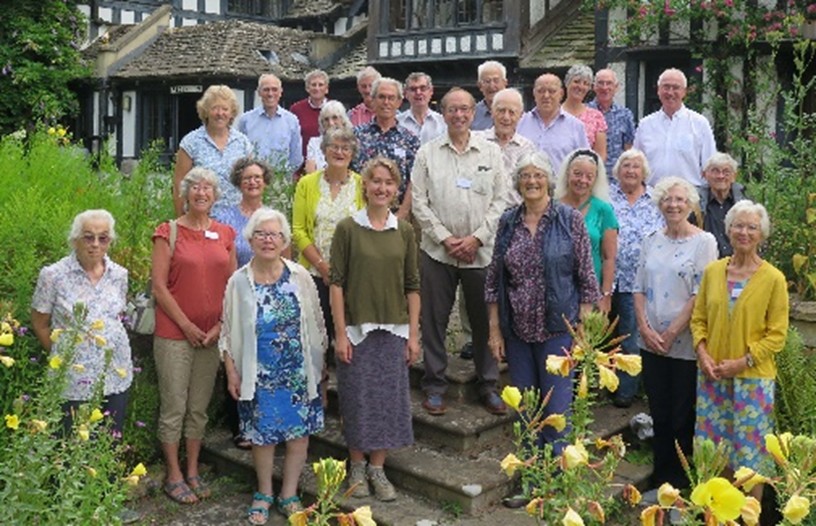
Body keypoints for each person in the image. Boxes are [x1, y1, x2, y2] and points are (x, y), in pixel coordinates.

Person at [486, 152, 600, 454]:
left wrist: (582, 331)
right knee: (526, 409)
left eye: (537, 175)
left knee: (557, 412)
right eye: (525, 176)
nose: (532, 181)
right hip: (517, 332)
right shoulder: (508, 221)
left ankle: (556, 487)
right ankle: (530, 477)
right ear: (518, 182)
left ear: (548, 181)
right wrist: (495, 329)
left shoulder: (570, 220)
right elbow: (494, 279)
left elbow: (587, 279)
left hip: (558, 331)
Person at [220, 208, 327, 523]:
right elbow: (226, 331)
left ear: (284, 241)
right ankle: (264, 493)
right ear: (250, 239)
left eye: (275, 235)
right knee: (262, 436)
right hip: (258, 374)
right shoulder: (238, 281)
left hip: (297, 371)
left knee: (299, 436)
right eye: (262, 234)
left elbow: (318, 324)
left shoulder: (300, 276)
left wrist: (320, 369)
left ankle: (289, 494)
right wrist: (231, 371)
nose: (268, 240)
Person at [412, 87, 508, 416]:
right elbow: (419, 203)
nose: (459, 115)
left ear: (473, 112)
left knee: (484, 321)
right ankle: (435, 384)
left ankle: (488, 384)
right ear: (443, 111)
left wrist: (477, 238)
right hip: (437, 252)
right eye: (452, 109)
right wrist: (445, 238)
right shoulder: (427, 153)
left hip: (480, 252)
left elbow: (501, 200)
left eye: (465, 109)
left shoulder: (490, 153)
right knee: (434, 320)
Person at [329, 157, 420, 502]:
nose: (382, 188)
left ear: (396, 190)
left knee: (386, 402)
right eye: (375, 181)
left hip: (394, 330)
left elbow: (412, 285)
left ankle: (378, 469)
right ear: (364, 185)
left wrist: (413, 335)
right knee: (356, 400)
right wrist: (340, 332)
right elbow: (336, 283)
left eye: (389, 183)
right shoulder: (347, 229)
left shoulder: (405, 231)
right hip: (356, 331)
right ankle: (356, 466)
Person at [691, 200, 788, 501]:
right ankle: (718, 515)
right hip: (713, 378)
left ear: (761, 234)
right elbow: (699, 319)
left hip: (753, 382)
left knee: (749, 458)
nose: (744, 232)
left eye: (751, 227)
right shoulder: (713, 271)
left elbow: (777, 336)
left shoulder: (773, 278)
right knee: (714, 452)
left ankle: (749, 518)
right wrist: (703, 353)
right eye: (738, 225)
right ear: (728, 229)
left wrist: (742, 362)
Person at [152, 167, 237, 504]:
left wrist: (219, 327)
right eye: (195, 188)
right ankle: (173, 473)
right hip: (175, 334)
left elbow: (233, 287)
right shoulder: (168, 232)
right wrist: (186, 325)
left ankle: (193, 469)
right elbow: (159, 286)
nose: (202, 193)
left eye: (208, 188)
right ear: (185, 194)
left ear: (215, 196)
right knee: (174, 405)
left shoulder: (226, 233)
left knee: (198, 407)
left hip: (211, 336)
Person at [634, 176, 717, 491]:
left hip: (682, 342)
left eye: (680, 199)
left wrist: (670, 332)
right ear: (659, 204)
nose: (673, 205)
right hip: (650, 340)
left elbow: (701, 294)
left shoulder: (704, 242)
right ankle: (660, 473)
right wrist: (643, 327)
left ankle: (681, 479)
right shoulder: (650, 238)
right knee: (658, 408)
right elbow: (638, 287)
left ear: (691, 204)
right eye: (667, 199)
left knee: (682, 411)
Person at [31, 210, 133, 435]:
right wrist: (64, 354)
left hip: (115, 373)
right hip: (72, 379)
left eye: (103, 238)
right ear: (75, 239)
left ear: (110, 241)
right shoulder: (53, 276)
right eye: (88, 237)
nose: (95, 244)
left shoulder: (119, 275)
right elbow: (40, 323)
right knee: (69, 445)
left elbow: (117, 318)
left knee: (108, 441)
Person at [213, 157, 275, 450]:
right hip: (236, 292)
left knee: (264, 359)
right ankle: (240, 425)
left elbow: (283, 256)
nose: (252, 182)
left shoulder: (273, 216)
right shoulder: (225, 217)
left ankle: (265, 421)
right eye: (247, 177)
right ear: (239, 182)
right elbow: (221, 255)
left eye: (257, 177)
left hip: (267, 296)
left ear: (265, 181)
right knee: (236, 358)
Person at [293, 127, 365, 348]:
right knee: (315, 338)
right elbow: (298, 230)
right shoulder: (307, 183)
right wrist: (323, 267)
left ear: (352, 154)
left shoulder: (362, 185)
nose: (340, 152)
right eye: (334, 147)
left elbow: (367, 230)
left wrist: (341, 272)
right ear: (324, 151)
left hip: (353, 275)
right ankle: (320, 381)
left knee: (348, 338)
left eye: (346, 148)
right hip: (314, 273)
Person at [608, 149, 664, 408]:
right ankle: (600, 382)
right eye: (626, 166)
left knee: (630, 336)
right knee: (604, 334)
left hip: (639, 282)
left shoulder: (656, 200)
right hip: (606, 278)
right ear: (617, 171)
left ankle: (626, 390)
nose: (631, 170)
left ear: (644, 173)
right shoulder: (607, 196)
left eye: (636, 167)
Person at [173, 85, 254, 217]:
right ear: (205, 111)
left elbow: (251, 181)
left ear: (232, 113)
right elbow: (179, 184)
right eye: (215, 108)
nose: (220, 113)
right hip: (201, 218)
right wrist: (181, 219)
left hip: (237, 218)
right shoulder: (191, 142)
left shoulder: (243, 142)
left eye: (225, 109)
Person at [555, 149, 618, 313]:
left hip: (591, 294)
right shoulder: (552, 207)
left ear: (595, 180)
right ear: (568, 174)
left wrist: (606, 295)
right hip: (555, 292)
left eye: (589, 176)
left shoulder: (604, 210)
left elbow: (609, 258)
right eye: (577, 174)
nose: (582, 180)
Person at [633, 68, 717, 187]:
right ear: (658, 90)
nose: (670, 92)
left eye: (676, 87)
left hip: (688, 197)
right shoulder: (645, 125)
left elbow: (710, 165)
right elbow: (637, 163)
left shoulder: (700, 124)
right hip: (652, 196)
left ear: (684, 92)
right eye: (666, 87)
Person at [352, 77, 420, 220]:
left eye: (391, 98)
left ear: (399, 102)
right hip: (359, 212)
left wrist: (402, 213)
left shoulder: (410, 140)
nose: (386, 102)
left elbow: (415, 179)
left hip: (396, 214)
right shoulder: (355, 136)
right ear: (373, 99)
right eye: (381, 97)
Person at [476, 87, 538, 206]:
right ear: (492, 112)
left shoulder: (528, 148)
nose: (506, 117)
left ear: (520, 116)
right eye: (501, 111)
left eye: (512, 112)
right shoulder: (477, 141)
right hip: (483, 215)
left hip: (516, 217)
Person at [517, 73, 590, 173]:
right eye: (541, 91)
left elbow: (585, 163)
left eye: (552, 91)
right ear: (534, 93)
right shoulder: (519, 123)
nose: (546, 96)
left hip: (561, 187)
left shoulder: (576, 127)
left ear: (561, 94)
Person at [236, 74, 303, 177]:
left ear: (281, 92)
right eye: (266, 90)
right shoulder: (246, 120)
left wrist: (284, 177)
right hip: (253, 181)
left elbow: (296, 157)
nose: (270, 94)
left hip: (281, 182)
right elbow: (240, 154)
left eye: (274, 89)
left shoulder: (291, 121)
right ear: (259, 92)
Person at [694, 152, 748, 257]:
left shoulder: (744, 203)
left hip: (738, 262)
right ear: (704, 175)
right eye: (715, 171)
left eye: (726, 172)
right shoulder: (696, 204)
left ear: (734, 176)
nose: (720, 176)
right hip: (707, 262)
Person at [588, 68, 636, 177]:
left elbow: (629, 148)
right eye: (600, 83)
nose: (605, 88)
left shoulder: (625, 114)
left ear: (616, 87)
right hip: (590, 177)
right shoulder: (585, 112)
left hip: (616, 178)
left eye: (609, 83)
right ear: (594, 87)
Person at [562, 65, 608, 163]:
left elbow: (600, 155)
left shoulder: (596, 117)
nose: (580, 86)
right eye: (576, 81)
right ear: (567, 83)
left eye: (586, 83)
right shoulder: (554, 113)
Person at [290, 69, 330, 160]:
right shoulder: (296, 109)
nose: (317, 88)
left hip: (329, 162)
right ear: (307, 88)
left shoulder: (334, 109)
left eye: (321, 85)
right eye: (313, 85)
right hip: (303, 162)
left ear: (326, 89)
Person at [397, 72, 447, 144]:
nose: (418, 92)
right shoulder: (397, 123)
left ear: (431, 91)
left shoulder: (443, 123)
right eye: (413, 89)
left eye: (423, 88)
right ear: (406, 94)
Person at [304, 101, 353, 173]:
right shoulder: (314, 143)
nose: (331, 123)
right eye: (326, 119)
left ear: (343, 120)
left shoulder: (351, 141)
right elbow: (310, 172)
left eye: (335, 118)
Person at [472, 60, 508, 130]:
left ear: (505, 83)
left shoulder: (516, 111)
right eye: (487, 81)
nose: (492, 86)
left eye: (496, 80)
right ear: (480, 86)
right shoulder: (472, 114)